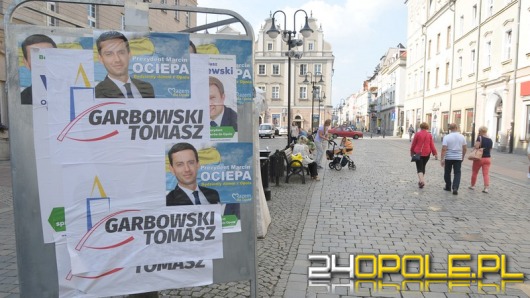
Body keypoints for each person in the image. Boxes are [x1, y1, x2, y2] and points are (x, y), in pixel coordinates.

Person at [95, 31, 155, 98]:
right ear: (101, 59)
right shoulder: (97, 93)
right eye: (109, 54)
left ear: (129, 54)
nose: (117, 59)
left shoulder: (147, 88)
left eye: (121, 52)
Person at [20, 34, 57, 105]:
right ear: (26, 63)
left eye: (49, 55)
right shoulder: (22, 100)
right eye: (36, 57)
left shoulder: (76, 94)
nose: (44, 62)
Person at [440, 123, 467, 195]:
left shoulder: (446, 137)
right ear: (457, 127)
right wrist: (463, 156)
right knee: (457, 173)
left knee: (447, 172)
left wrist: (442, 159)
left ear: (449, 129)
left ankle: (448, 186)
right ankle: (455, 187)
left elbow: (444, 149)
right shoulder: (462, 137)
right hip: (458, 157)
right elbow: (464, 148)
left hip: (448, 157)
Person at [410, 122, 438, 189]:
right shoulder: (429, 135)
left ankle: (422, 181)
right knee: (423, 167)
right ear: (427, 127)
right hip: (427, 153)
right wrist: (435, 153)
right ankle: (420, 181)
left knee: (419, 168)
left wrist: (411, 152)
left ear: (420, 127)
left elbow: (413, 144)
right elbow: (432, 145)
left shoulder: (417, 134)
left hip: (418, 153)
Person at [468, 126, 493, 193]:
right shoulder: (490, 140)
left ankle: (472, 185)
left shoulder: (480, 137)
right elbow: (490, 149)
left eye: (479, 131)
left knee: (475, 172)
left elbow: (476, 146)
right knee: (486, 174)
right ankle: (486, 188)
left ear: (481, 131)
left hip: (479, 158)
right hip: (487, 158)